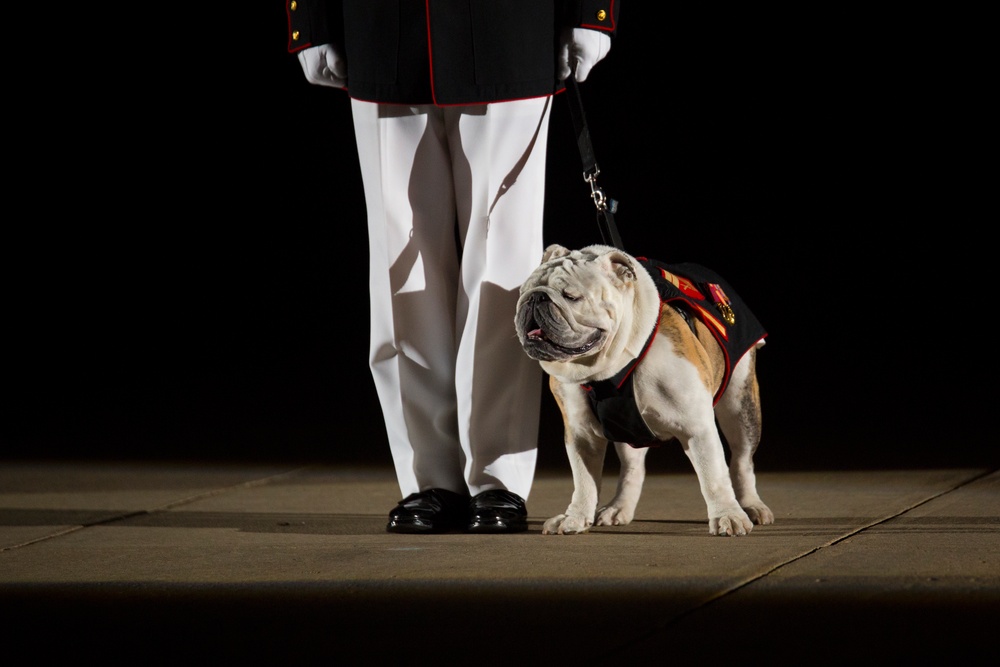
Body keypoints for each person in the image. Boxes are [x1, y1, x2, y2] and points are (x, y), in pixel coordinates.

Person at [287, 1, 619, 533]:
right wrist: (311, 19)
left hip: (508, 26)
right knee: (401, 270)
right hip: (383, 29)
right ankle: (429, 478)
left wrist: (591, 10)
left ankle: (497, 478)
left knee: (502, 263)